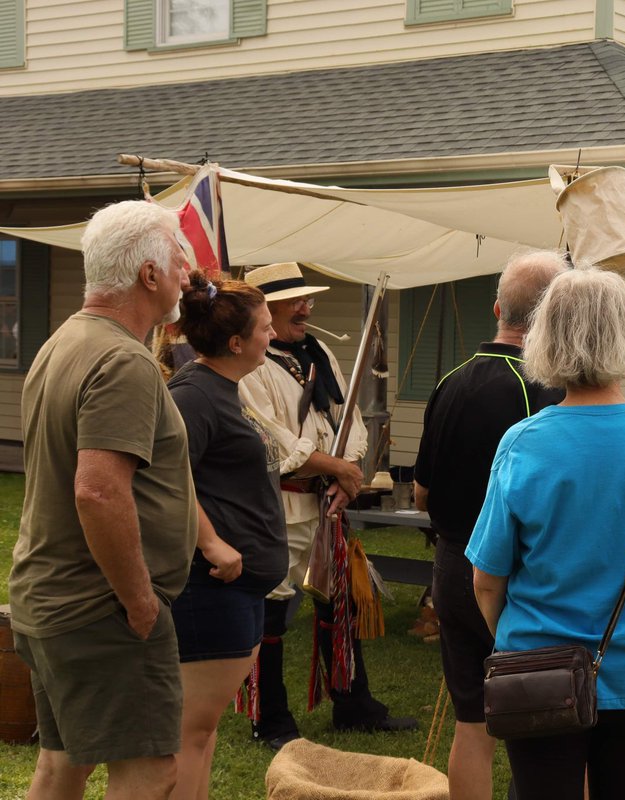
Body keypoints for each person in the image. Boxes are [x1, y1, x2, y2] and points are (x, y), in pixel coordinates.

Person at [469, 267, 625, 800]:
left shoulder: (522, 443)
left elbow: (487, 583)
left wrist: (517, 642)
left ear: (545, 338)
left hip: (537, 670)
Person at [9, 200, 197, 799]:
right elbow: (96, 491)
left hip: (52, 599)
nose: (188, 272)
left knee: (61, 766)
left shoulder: (65, 340)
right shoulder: (123, 360)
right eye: (179, 259)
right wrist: (140, 602)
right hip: (102, 610)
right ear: (149, 274)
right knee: (151, 772)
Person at [239, 261, 416, 748]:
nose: (306, 308)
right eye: (294, 301)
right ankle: (270, 720)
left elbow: (349, 420)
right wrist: (335, 467)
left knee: (340, 603)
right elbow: (272, 440)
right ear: (266, 309)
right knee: (270, 614)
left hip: (326, 505)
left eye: (307, 299)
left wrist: (348, 470)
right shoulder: (249, 364)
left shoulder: (319, 355)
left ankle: (354, 706)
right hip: (278, 507)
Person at [413, 250, 566, 800]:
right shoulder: (544, 390)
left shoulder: (449, 380)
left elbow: (421, 491)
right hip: (514, 574)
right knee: (539, 729)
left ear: (498, 308)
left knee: (472, 724)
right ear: (552, 318)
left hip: (451, 566)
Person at [167, 272, 290, 799]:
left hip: (240, 589)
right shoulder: (193, 395)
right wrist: (211, 542)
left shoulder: (222, 388)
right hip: (210, 589)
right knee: (188, 732)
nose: (273, 335)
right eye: (265, 327)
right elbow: (166, 477)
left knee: (202, 730)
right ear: (236, 342)